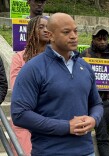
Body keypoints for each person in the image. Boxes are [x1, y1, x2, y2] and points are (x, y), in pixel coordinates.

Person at [11, 13, 103, 155]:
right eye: (66, 32)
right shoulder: (33, 68)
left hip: (86, 151)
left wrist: (93, 119)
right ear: (50, 35)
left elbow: (96, 104)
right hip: (50, 152)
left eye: (75, 31)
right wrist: (66, 126)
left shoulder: (85, 67)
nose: (73, 36)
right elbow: (20, 114)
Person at [10, 15, 49, 156]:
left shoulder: (57, 59)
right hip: (26, 120)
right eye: (41, 27)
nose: (46, 30)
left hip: (50, 119)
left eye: (48, 27)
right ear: (31, 30)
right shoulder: (20, 58)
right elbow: (17, 87)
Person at [80, 26, 109, 156]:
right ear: (93, 39)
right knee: (102, 138)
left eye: (105, 39)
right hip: (93, 103)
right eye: (99, 39)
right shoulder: (85, 55)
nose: (103, 41)